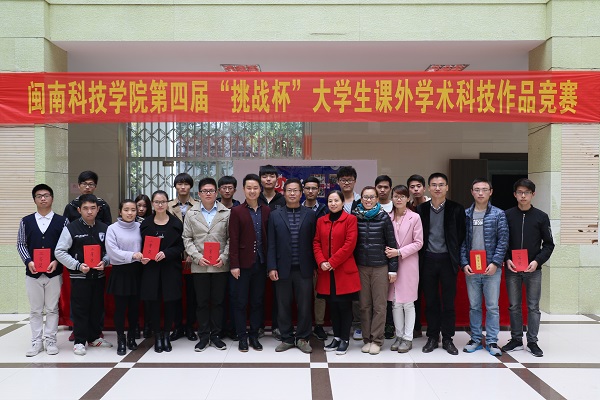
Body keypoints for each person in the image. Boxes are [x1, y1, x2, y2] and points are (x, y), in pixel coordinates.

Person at [501, 178, 555, 357]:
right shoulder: (507, 215)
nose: (523, 196)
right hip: (512, 269)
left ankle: (532, 341)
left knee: (533, 307)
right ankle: (516, 339)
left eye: (527, 192)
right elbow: (502, 241)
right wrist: (506, 259)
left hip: (533, 269)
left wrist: (537, 261)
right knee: (514, 306)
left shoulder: (541, 217)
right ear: (514, 194)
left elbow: (549, 244)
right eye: (520, 192)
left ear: (533, 194)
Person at [55, 194, 112, 356]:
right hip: (79, 277)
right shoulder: (71, 228)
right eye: (86, 208)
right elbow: (59, 251)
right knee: (80, 309)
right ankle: (79, 341)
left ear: (98, 209)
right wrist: (77, 265)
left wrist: (105, 261)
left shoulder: (104, 228)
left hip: (98, 276)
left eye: (93, 208)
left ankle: (94, 337)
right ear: (79, 210)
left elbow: (110, 250)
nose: (89, 212)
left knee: (97, 308)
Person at [417, 173, 466, 355]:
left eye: (441, 184)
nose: (437, 188)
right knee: (430, 301)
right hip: (427, 260)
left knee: (448, 302)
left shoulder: (456, 209)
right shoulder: (421, 209)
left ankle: (447, 338)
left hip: (448, 260)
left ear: (447, 187)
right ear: (429, 188)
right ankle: (432, 337)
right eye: (434, 185)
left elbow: (461, 235)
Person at [17, 184, 68, 356]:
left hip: (54, 272)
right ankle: (36, 341)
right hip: (33, 273)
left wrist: (56, 261)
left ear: (52, 198)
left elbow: (66, 245)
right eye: (39, 196)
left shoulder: (62, 221)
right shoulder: (26, 221)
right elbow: (21, 244)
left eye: (46, 195)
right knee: (35, 310)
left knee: (52, 308)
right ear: (34, 200)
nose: (43, 198)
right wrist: (28, 261)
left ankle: (51, 340)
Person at [267, 178, 317, 353]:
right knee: (283, 305)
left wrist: (315, 266)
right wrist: (271, 267)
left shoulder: (310, 214)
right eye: (289, 190)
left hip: (304, 268)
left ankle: (303, 338)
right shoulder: (275, 215)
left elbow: (315, 242)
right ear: (284, 193)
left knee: (305, 305)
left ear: (301, 193)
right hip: (282, 268)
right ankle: (287, 338)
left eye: (296, 190)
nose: (293, 193)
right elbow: (271, 243)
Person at [460, 178, 508, 357]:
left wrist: (495, 263)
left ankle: (492, 341)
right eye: (477, 189)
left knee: (492, 306)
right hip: (472, 269)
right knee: (474, 306)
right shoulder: (466, 214)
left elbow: (503, 240)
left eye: (484, 189)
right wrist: (464, 263)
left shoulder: (498, 214)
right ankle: (475, 339)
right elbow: (461, 241)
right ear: (472, 192)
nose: (480, 193)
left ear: (490, 192)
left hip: (491, 269)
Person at [183, 177, 231, 352]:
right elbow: (187, 238)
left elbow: (231, 238)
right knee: (202, 302)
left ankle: (216, 335)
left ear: (216, 193)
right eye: (205, 191)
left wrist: (224, 257)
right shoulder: (191, 213)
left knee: (218, 302)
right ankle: (203, 336)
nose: (208, 194)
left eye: (211, 191)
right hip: (200, 265)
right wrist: (196, 257)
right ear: (199, 194)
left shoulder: (226, 213)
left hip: (220, 265)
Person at [313, 190, 361, 355]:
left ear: (342, 202)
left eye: (336, 201)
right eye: (330, 201)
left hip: (344, 271)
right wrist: (321, 261)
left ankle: (345, 339)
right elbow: (316, 242)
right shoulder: (321, 221)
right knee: (332, 306)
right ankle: (337, 337)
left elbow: (350, 244)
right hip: (326, 271)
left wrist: (332, 262)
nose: (333, 204)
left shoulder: (350, 219)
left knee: (344, 306)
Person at [353, 186, 398, 355]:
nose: (368, 200)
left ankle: (377, 340)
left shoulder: (384, 217)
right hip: (361, 267)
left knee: (379, 306)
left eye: (372, 197)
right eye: (365, 197)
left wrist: (393, 269)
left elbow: (392, 243)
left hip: (380, 267)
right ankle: (367, 339)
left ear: (377, 199)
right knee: (364, 305)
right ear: (361, 199)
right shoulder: (355, 217)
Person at [229, 174, 271, 352]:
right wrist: (234, 264)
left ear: (260, 189)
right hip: (242, 265)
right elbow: (233, 239)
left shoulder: (267, 211)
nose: (252, 191)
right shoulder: (237, 211)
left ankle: (254, 335)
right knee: (240, 302)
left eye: (255, 188)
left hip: (261, 264)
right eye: (249, 188)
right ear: (243, 190)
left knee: (257, 301)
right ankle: (242, 337)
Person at [140, 190, 185, 353]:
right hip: (151, 269)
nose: (160, 205)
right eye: (157, 202)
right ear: (152, 204)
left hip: (170, 268)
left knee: (170, 302)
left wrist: (167, 253)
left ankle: (167, 334)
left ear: (167, 203)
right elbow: (140, 245)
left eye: (163, 202)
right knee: (153, 302)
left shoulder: (176, 223)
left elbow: (180, 246)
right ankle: (157, 335)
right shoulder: (146, 224)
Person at [385, 185, 423, 353]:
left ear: (408, 198)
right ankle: (399, 336)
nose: (399, 199)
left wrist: (399, 252)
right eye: (396, 196)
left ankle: (408, 338)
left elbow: (419, 242)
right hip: (391, 264)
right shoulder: (387, 217)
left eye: (402, 196)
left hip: (408, 263)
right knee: (395, 302)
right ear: (392, 198)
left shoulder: (415, 217)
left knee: (408, 303)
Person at [105, 199, 146, 356]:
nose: (130, 213)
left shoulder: (141, 227)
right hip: (120, 272)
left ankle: (131, 337)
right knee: (120, 308)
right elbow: (112, 251)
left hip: (137, 271)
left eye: (133, 210)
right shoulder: (112, 228)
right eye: (126, 210)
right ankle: (121, 338)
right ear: (120, 212)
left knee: (135, 308)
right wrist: (132, 255)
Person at [168, 173, 198, 342]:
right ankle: (177, 326)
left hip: (193, 256)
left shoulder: (198, 205)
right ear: (175, 186)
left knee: (192, 294)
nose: (183, 187)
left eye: (186, 184)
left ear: (190, 186)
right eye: (180, 184)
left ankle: (190, 327)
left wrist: (193, 254)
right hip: (174, 255)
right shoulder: (168, 205)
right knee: (175, 293)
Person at [258, 164, 286, 339]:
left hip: (279, 253)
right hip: (259, 253)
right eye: (265, 176)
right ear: (260, 179)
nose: (268, 179)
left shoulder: (283, 200)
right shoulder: (255, 198)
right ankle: (259, 326)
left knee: (279, 294)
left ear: (277, 179)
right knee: (258, 293)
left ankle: (277, 326)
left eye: (271, 176)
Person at [336, 166, 362, 340]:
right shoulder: (334, 200)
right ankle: (340, 326)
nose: (346, 183)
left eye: (350, 180)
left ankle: (358, 325)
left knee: (356, 291)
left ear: (355, 181)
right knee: (339, 291)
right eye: (343, 180)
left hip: (358, 253)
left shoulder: (362, 201)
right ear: (338, 182)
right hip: (338, 255)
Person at [302, 176, 329, 340]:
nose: (311, 191)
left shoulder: (325, 210)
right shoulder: (297, 208)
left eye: (314, 188)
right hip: (302, 260)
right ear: (303, 190)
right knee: (303, 296)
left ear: (319, 190)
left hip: (321, 260)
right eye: (308, 188)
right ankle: (304, 325)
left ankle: (319, 325)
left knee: (320, 295)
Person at [217, 175, 240, 341]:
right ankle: (218, 328)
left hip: (235, 258)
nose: (227, 190)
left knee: (234, 295)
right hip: (216, 257)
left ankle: (232, 328)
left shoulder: (239, 207)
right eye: (224, 188)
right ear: (219, 190)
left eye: (230, 188)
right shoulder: (213, 207)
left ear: (235, 190)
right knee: (218, 296)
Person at [407, 174, 430, 338]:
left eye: (418, 186)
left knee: (430, 293)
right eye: (412, 187)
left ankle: (432, 328)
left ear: (424, 188)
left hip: (429, 255)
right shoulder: (407, 207)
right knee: (413, 293)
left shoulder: (431, 205)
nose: (415, 189)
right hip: (411, 256)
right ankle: (415, 327)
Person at [375, 175, 395, 340]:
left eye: (386, 187)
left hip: (394, 254)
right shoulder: (367, 207)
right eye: (379, 187)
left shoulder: (396, 206)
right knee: (376, 296)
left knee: (391, 295)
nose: (382, 190)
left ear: (390, 189)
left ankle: (390, 324)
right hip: (374, 259)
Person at [134, 193, 152, 338]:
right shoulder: (128, 222)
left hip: (148, 263)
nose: (141, 209)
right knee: (134, 297)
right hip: (133, 262)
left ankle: (148, 325)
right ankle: (135, 326)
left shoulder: (152, 221)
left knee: (148, 297)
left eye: (144, 206)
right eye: (138, 205)